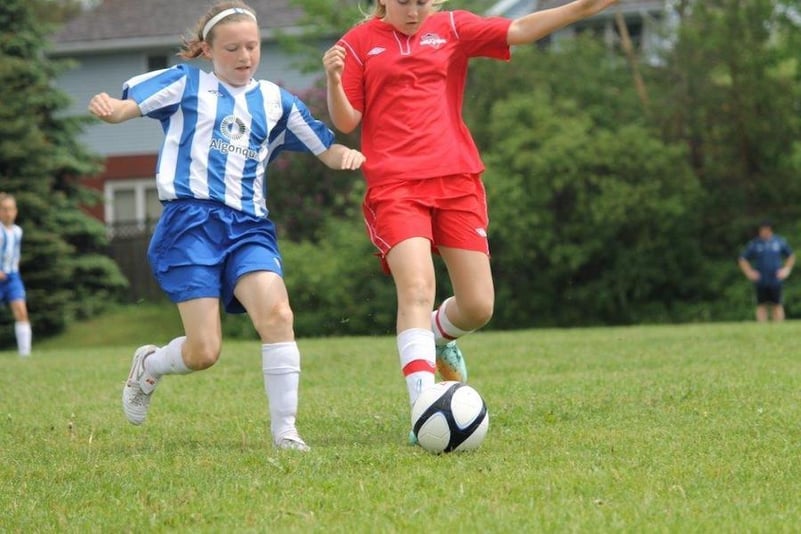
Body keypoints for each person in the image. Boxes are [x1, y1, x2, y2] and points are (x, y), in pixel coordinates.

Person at [323, 0, 619, 442]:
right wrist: (333, 79)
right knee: (418, 287)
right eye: (404, 2)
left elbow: (519, 29)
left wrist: (578, 9)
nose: (413, 10)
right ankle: (422, 407)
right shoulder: (358, 44)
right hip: (395, 185)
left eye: (422, 2)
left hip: (457, 180)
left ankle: (439, 336)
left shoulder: (454, 28)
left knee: (479, 305)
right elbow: (347, 119)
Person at [88, 1, 365, 452]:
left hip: (249, 227)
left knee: (278, 316)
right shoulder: (184, 84)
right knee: (204, 352)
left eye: (252, 46)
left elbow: (326, 148)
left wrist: (346, 157)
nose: (244, 56)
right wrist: (110, 109)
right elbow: (127, 108)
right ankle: (152, 365)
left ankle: (286, 432)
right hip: (190, 225)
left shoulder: (277, 101)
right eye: (233, 48)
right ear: (207, 50)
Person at [738, 220, 795, 322]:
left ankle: (779, 327)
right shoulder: (755, 243)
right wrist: (749, 272)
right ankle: (761, 328)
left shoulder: (779, 241)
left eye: (765, 230)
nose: (763, 232)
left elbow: (791, 255)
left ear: (769, 230)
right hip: (761, 279)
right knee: (761, 304)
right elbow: (743, 259)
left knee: (777, 304)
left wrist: (786, 269)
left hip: (775, 278)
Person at [0, 193, 32, 357]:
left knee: (21, 311)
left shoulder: (17, 231)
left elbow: (15, 254)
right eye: (4, 209)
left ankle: (25, 355)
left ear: (16, 211)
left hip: (12, 277)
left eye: (11, 209)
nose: (8, 213)